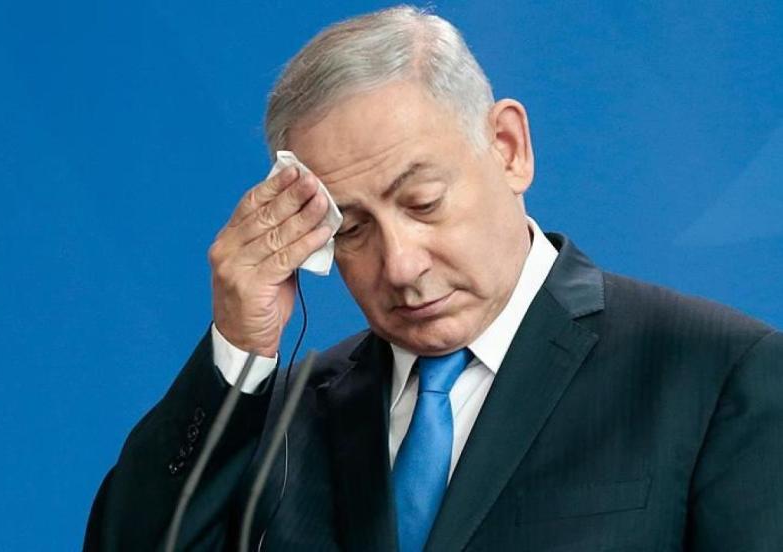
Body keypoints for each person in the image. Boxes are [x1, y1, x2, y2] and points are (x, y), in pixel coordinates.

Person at [84, 6, 783, 551]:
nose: (401, 266)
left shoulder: (718, 373)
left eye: (422, 203)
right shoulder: (285, 415)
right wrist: (239, 347)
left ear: (508, 148)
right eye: (351, 229)